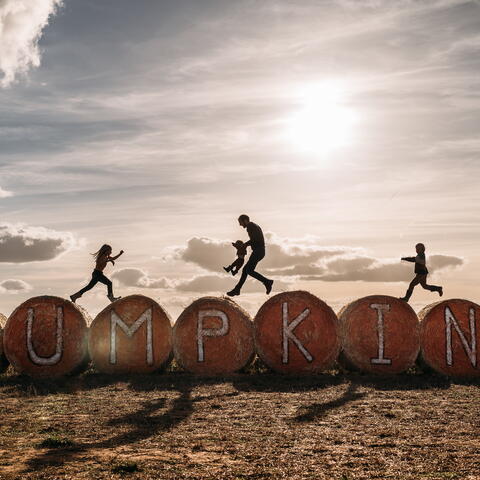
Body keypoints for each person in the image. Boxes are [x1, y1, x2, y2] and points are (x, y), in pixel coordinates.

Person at [227, 215, 273, 296]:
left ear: (245, 220)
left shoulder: (250, 226)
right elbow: (255, 239)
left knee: (249, 270)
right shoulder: (253, 226)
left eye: (240, 222)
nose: (240, 225)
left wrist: (245, 244)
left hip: (258, 251)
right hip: (259, 251)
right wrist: (245, 245)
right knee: (245, 270)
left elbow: (254, 239)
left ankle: (267, 282)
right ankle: (237, 290)